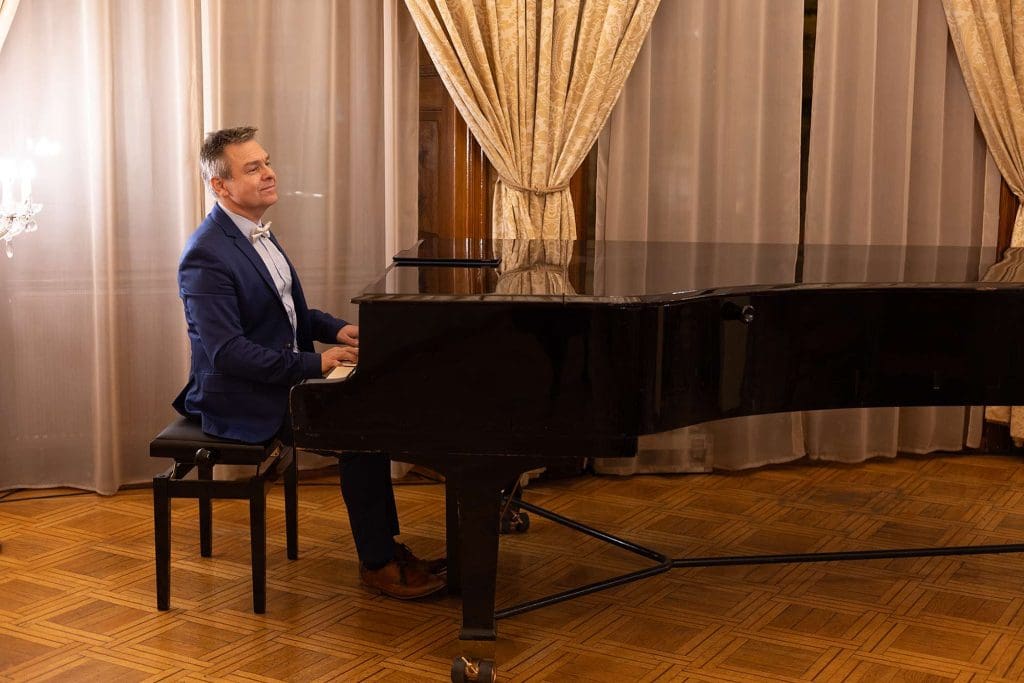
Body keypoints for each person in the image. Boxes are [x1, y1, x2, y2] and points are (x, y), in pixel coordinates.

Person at [173, 125, 444, 599]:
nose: (269, 173)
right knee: (360, 432)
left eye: (267, 162)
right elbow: (227, 353)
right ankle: (378, 563)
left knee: (372, 416)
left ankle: (387, 549)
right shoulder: (205, 255)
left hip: (276, 379)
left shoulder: (257, 234)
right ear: (220, 185)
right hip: (239, 397)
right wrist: (315, 365)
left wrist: (336, 330)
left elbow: (290, 313)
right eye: (252, 168)